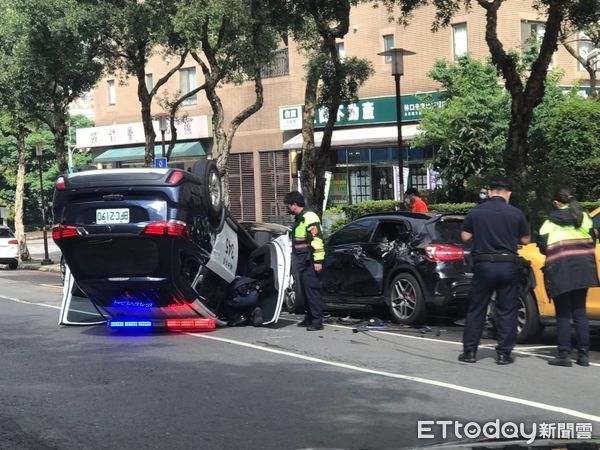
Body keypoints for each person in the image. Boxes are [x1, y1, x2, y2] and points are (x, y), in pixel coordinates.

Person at [459, 176, 530, 365]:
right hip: (508, 265)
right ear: (508, 194)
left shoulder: (476, 211)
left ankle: (470, 352)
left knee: (477, 308)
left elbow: (465, 236)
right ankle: (503, 354)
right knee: (507, 309)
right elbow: (525, 240)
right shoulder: (516, 213)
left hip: (483, 265)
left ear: (489, 192)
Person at [537, 188, 599, 367]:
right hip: (583, 269)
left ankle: (564, 354)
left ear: (557, 203)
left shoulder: (550, 221)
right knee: (580, 312)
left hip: (560, 269)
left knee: (563, 313)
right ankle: (583, 355)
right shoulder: (585, 217)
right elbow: (593, 240)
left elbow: (542, 245)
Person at [283, 191, 326, 331]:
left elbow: (317, 240)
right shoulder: (300, 218)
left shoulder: (310, 217)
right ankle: (309, 318)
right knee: (306, 292)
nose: (288, 208)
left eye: (289, 206)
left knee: (312, 291)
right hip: (302, 261)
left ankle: (317, 321)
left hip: (310, 261)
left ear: (294, 205)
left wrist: (318, 261)